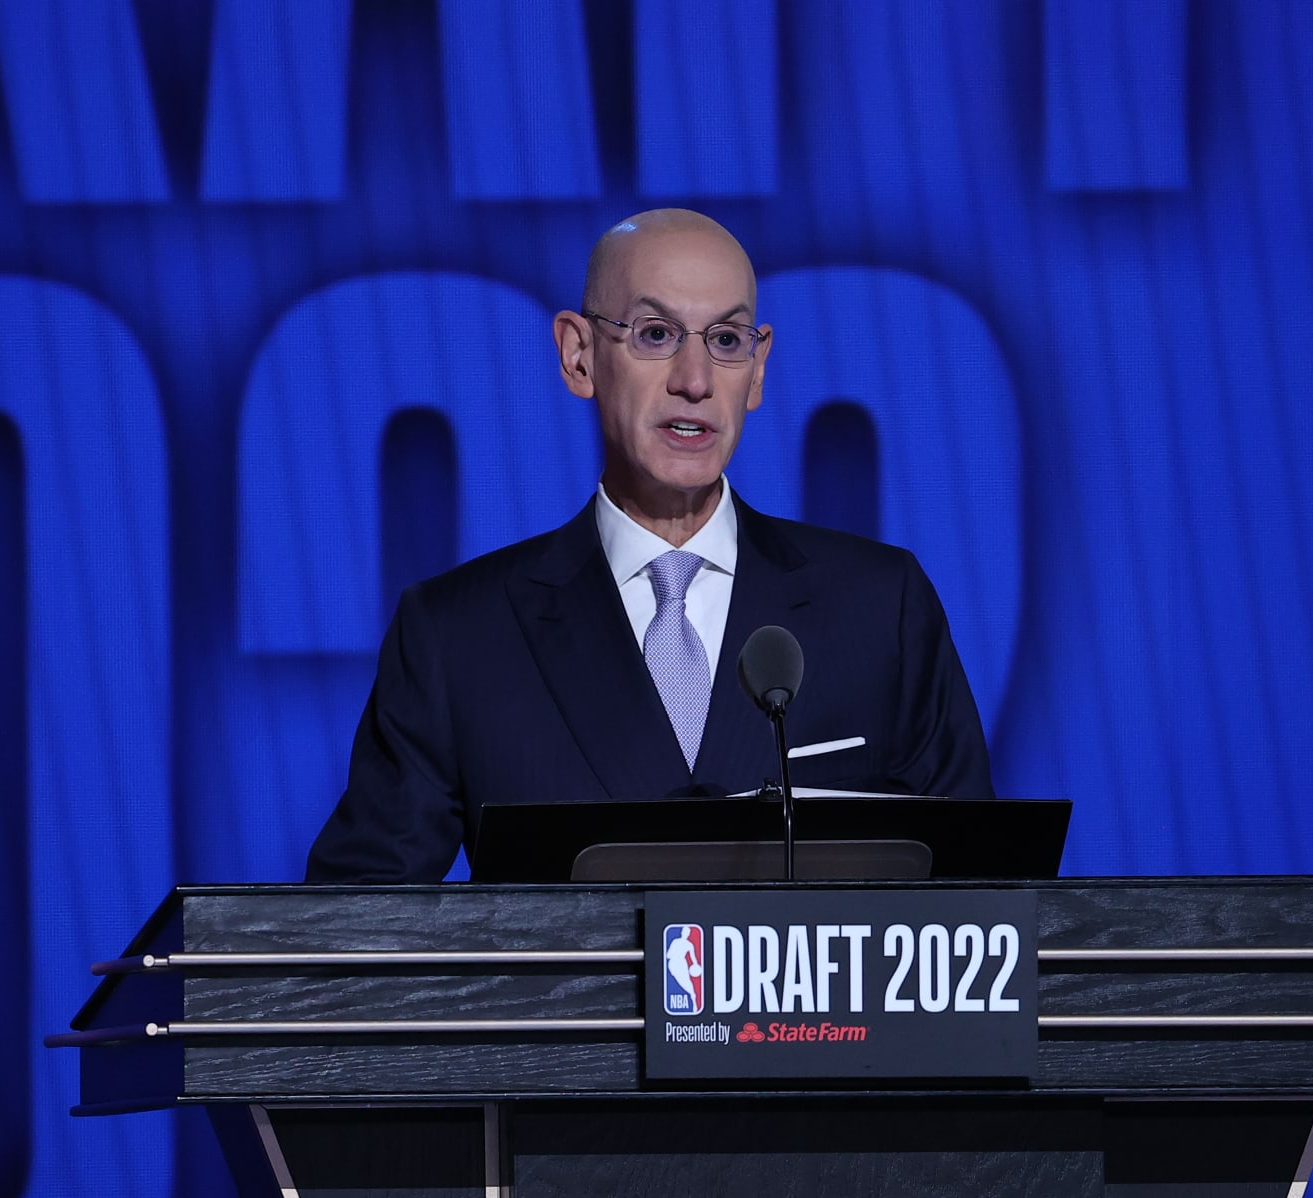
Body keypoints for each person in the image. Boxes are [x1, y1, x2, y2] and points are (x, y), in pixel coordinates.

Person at [305, 210, 993, 882]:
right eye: (656, 333)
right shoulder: (457, 635)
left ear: (757, 370)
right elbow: (351, 921)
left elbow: (983, 896)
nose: (694, 380)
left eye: (726, 340)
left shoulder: (880, 606)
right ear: (578, 355)